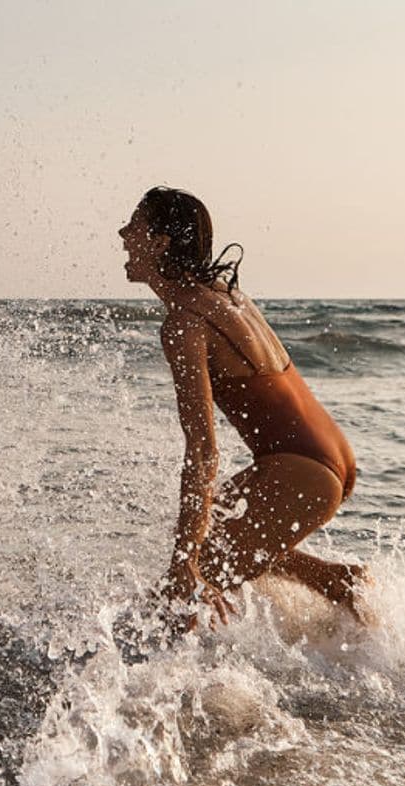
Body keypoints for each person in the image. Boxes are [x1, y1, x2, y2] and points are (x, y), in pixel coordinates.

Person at [119, 187, 364, 631]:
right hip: (329, 458)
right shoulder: (226, 295)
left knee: (180, 595)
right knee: (213, 533)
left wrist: (184, 562)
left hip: (301, 471)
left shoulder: (185, 323)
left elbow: (202, 448)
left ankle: (173, 695)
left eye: (133, 225)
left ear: (160, 242)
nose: (122, 234)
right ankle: (337, 581)